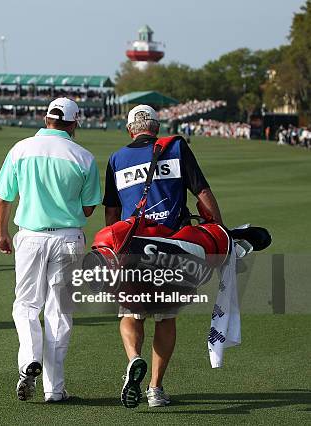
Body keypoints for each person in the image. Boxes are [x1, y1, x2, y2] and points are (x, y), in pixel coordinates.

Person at [103, 105, 223, 408]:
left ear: (131, 129)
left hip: (133, 245)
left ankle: (134, 359)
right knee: (166, 317)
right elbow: (202, 193)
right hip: (173, 246)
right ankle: (155, 389)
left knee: (131, 313)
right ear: (156, 128)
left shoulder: (116, 159)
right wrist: (219, 232)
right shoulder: (177, 147)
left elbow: (112, 213)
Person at [0, 98, 102, 403]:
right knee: (59, 311)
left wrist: (2, 233)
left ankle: (29, 360)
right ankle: (54, 389)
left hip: (29, 236)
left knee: (26, 305)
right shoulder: (83, 156)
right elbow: (90, 207)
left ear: (46, 119)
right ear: (73, 123)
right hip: (68, 237)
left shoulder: (20, 149)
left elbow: (4, 198)